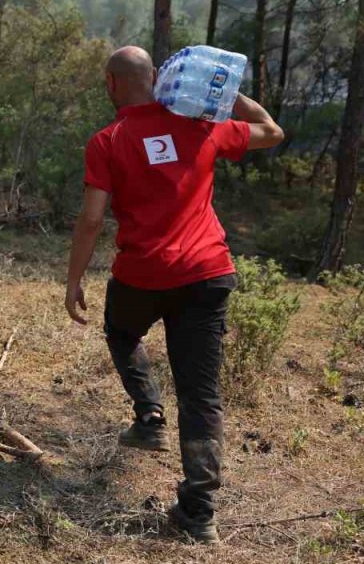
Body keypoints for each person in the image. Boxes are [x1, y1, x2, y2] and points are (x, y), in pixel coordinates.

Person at [64, 46, 284, 544]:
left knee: (121, 331)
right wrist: (225, 91)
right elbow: (272, 132)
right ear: (158, 78)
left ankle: (149, 415)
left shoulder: (108, 140)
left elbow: (93, 218)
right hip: (207, 276)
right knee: (201, 395)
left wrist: (74, 278)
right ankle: (199, 513)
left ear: (110, 84)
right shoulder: (200, 127)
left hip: (142, 276)